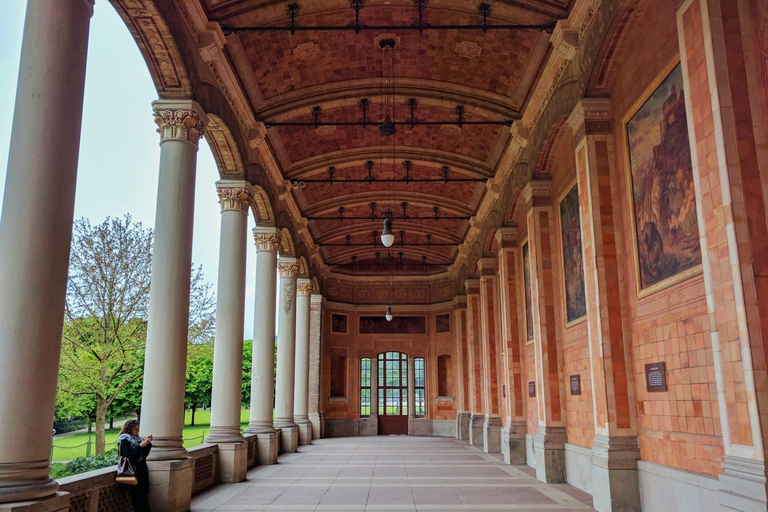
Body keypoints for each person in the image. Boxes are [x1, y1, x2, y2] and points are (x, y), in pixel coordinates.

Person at [117, 419, 153, 512]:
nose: (137, 431)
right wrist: (141, 446)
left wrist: (147, 443)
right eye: (135, 429)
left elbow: (143, 456)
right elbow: (130, 457)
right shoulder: (125, 440)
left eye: (138, 429)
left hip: (141, 472)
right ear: (129, 429)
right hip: (132, 472)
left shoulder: (137, 439)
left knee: (143, 498)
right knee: (137, 499)